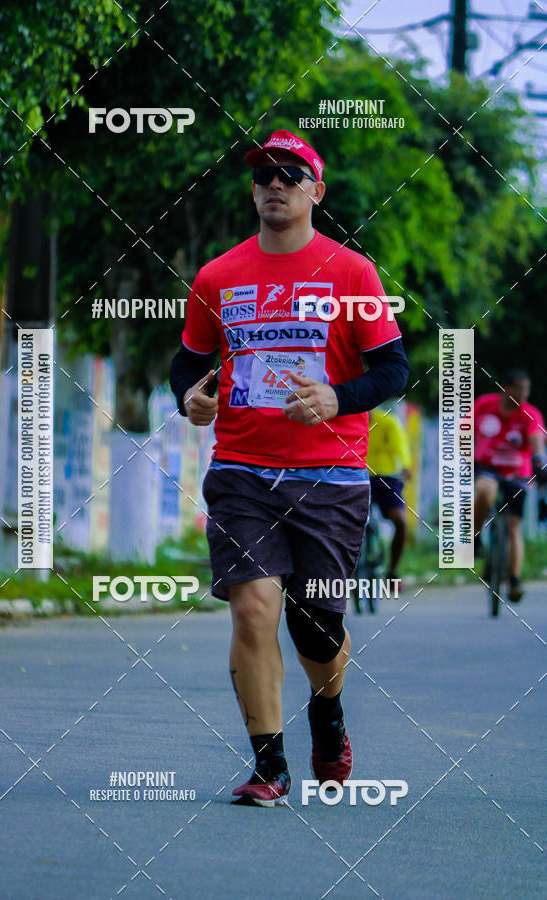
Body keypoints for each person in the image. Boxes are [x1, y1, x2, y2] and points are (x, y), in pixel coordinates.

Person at [170, 130, 409, 807]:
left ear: (316, 191)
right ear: (253, 191)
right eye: (264, 175)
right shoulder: (219, 276)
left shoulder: (352, 273)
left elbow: (394, 368)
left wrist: (338, 396)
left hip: (331, 476)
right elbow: (189, 361)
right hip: (243, 469)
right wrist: (187, 396)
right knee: (252, 608)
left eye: (291, 174)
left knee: (315, 626)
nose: (275, 183)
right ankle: (269, 766)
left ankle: (328, 712)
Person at [474, 369, 546, 603]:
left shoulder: (530, 414)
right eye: (520, 388)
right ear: (506, 387)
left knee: (514, 526)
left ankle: (514, 579)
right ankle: (475, 538)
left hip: (517, 474)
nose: (524, 394)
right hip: (486, 467)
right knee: (484, 492)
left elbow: (536, 440)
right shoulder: (485, 405)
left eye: (527, 389)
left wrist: (538, 461)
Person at [366, 406, 412, 586]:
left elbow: (400, 447)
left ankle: (392, 572)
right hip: (356, 477)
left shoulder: (388, 422)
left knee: (400, 521)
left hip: (387, 477)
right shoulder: (348, 421)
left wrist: (406, 466)